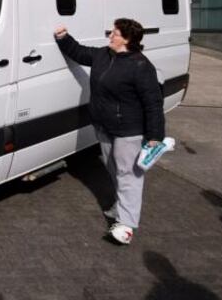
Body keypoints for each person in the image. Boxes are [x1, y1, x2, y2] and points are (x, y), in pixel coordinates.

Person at [54, 18, 164, 245]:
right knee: (113, 169)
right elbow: (80, 52)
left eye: (114, 33)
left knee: (129, 175)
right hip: (104, 126)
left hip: (128, 130)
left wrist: (155, 135)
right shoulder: (104, 55)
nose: (110, 36)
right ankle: (121, 205)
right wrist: (64, 38)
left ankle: (127, 225)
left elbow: (153, 103)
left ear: (127, 39)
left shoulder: (141, 66)